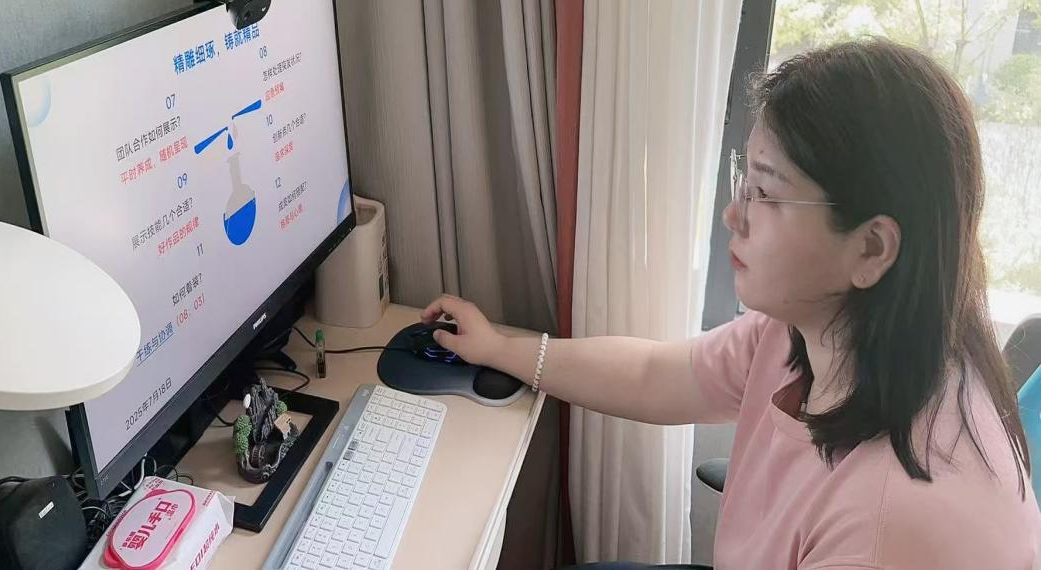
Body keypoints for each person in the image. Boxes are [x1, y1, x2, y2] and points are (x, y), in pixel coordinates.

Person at [421, 39, 1041, 569]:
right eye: (746, 180)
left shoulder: (892, 526)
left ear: (872, 247)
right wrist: (500, 349)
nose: (732, 215)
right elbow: (658, 374)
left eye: (766, 193)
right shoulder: (817, 329)